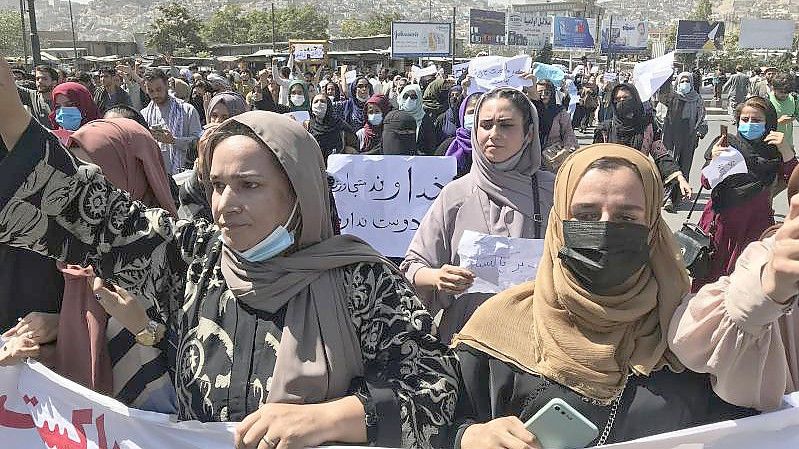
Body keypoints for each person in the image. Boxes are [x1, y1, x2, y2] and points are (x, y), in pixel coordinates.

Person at [0, 54, 458, 448]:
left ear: (300, 194)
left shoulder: (361, 279)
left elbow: (433, 389)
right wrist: (11, 117)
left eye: (250, 186)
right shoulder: (197, 259)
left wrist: (324, 420)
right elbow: (97, 214)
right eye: (217, 185)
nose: (225, 204)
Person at [448, 145, 756, 449]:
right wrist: (469, 437)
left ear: (652, 227)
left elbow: (748, 426)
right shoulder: (499, 325)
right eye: (585, 214)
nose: (605, 228)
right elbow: (443, 422)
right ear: (559, 223)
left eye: (626, 218)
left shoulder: (690, 331)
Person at [1, 118, 181, 411]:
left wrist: (145, 330)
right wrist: (50, 336)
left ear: (132, 171)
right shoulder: (67, 254)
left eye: (95, 180)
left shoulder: (184, 259)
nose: (80, 197)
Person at [401, 87, 555, 344]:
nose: (494, 134)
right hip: (467, 343)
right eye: (486, 125)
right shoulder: (456, 194)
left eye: (506, 125)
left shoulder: (554, 192)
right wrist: (439, 277)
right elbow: (412, 267)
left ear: (528, 134)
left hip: (535, 342)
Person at [691, 96, 797, 292]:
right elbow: (705, 182)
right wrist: (715, 160)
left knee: (747, 289)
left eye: (757, 120)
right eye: (745, 119)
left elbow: (795, 183)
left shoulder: (776, 152)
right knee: (709, 287)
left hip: (755, 228)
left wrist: (786, 152)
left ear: (769, 123)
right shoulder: (726, 143)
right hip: (721, 226)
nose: (749, 124)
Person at [594, 83, 692, 205]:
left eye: (626, 98)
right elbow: (593, 161)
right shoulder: (605, 129)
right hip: (608, 190)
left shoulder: (647, 127)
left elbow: (661, 154)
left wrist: (679, 177)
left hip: (637, 188)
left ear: (635, 100)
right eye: (618, 99)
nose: (622, 101)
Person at [141, 68, 203, 174]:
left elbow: (199, 144)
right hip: (155, 175)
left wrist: (174, 141)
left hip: (182, 176)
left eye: (159, 89)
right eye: (151, 91)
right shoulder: (144, 114)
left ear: (166, 85)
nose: (155, 94)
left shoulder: (187, 110)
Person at [663, 72, 708, 211]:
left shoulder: (697, 99)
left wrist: (701, 130)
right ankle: (668, 197)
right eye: (682, 81)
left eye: (687, 81)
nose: (684, 83)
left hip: (689, 137)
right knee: (671, 165)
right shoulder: (671, 97)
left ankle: (678, 197)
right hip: (672, 136)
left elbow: (702, 117)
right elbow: (660, 112)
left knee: (684, 167)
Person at [438, 93, 482, 178]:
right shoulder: (448, 146)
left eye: (480, 112)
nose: (476, 116)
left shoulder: (495, 145)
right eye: (472, 112)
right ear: (462, 114)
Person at [308, 93, 352, 160]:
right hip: (315, 164)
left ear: (328, 105)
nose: (319, 104)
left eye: (322, 101)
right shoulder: (308, 125)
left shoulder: (339, 124)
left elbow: (353, 144)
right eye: (316, 102)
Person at [398, 84, 437, 155]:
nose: (409, 100)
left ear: (419, 98)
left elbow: (431, 146)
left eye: (413, 97)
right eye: (406, 96)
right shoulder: (396, 118)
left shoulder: (426, 121)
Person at [17, 65, 58, 129]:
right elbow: (11, 87)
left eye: (44, 79)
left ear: (54, 82)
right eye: (37, 78)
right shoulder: (31, 95)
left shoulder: (62, 99)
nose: (40, 81)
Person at [770, 73, 799, 153]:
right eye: (781, 91)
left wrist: (794, 117)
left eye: (787, 92)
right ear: (773, 88)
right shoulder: (767, 100)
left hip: (788, 144)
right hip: (771, 145)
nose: (784, 94)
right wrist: (778, 122)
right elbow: (762, 125)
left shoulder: (794, 99)